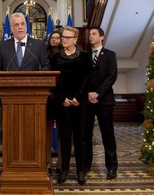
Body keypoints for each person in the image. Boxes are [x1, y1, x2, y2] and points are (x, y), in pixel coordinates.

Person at [50, 27, 91, 185]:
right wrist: (62, 98)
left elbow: (87, 78)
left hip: (79, 102)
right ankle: (65, 169)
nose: (64, 40)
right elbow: (53, 80)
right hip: (63, 102)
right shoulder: (56, 57)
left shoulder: (84, 56)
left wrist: (77, 97)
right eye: (63, 37)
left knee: (80, 137)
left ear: (75, 39)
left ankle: (80, 171)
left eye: (68, 37)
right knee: (65, 137)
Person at [85, 27, 118, 180]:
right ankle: (86, 165)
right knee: (85, 134)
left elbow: (112, 76)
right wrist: (88, 94)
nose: (90, 36)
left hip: (104, 100)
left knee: (107, 134)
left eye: (93, 34)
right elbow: (82, 77)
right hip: (86, 100)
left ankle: (111, 167)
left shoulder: (110, 55)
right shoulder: (85, 56)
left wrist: (97, 93)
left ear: (101, 37)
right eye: (89, 34)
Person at [46, 30, 62, 174]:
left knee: (62, 132)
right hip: (48, 97)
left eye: (58, 38)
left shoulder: (65, 54)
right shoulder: (45, 54)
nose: (55, 40)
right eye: (53, 38)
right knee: (47, 132)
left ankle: (61, 163)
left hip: (63, 97)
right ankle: (47, 162)